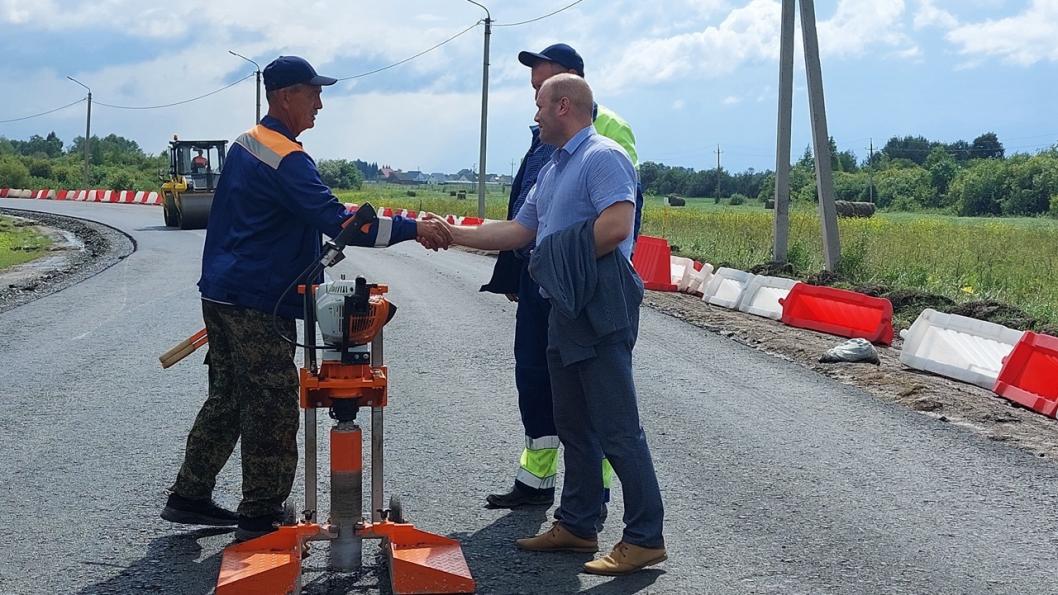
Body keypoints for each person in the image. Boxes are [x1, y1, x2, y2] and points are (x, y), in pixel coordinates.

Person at [160, 55, 451, 542]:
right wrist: (414, 228)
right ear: (284, 96)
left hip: (222, 291)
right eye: (312, 93)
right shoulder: (286, 158)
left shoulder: (245, 146)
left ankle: (189, 493)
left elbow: (266, 222)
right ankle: (262, 515)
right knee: (271, 402)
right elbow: (344, 222)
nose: (320, 103)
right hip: (258, 300)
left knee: (229, 397)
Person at [431, 74, 665, 576]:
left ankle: (645, 537)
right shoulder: (555, 168)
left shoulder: (602, 156)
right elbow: (520, 230)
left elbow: (618, 225)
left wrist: (552, 257)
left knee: (617, 427)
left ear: (563, 106)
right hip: (564, 304)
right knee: (574, 423)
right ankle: (579, 524)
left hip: (599, 303)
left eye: (539, 105)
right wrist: (451, 234)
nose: (533, 115)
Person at [480, 43, 643, 512]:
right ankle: (541, 484)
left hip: (584, 285)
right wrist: (513, 268)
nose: (534, 108)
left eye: (539, 92)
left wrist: (576, 269)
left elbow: (617, 214)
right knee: (535, 377)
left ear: (565, 95)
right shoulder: (549, 140)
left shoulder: (605, 137)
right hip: (543, 278)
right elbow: (531, 212)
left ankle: (597, 493)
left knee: (596, 397)